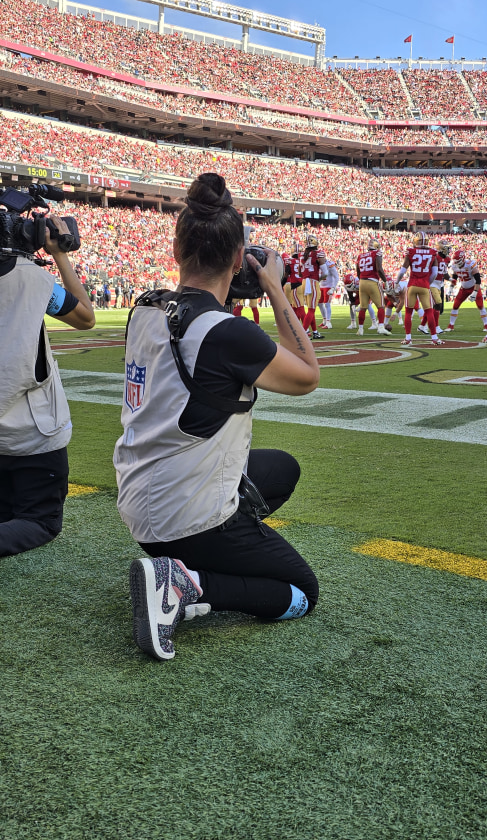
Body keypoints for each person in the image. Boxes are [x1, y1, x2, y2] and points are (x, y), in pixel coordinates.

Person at [113, 173, 321, 661]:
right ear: (236, 258)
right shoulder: (227, 333)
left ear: (175, 249)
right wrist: (273, 287)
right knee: (302, 593)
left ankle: (202, 553)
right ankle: (186, 583)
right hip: (182, 513)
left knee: (282, 469)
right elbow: (308, 374)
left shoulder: (143, 308)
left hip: (141, 495)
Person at [0, 216, 95, 557]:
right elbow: (85, 317)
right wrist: (60, 254)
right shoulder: (34, 279)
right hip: (34, 431)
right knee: (41, 522)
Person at [397, 232, 444, 346]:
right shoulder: (432, 253)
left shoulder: (411, 252)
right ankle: (434, 338)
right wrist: (428, 283)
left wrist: (397, 282)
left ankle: (408, 338)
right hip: (424, 285)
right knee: (429, 312)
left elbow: (403, 271)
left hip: (412, 285)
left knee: (408, 312)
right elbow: (434, 273)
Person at [444, 248, 487, 333]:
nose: (456, 263)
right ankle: (451, 325)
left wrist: (475, 292)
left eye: (458, 261)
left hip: (473, 287)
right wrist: (451, 287)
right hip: (463, 288)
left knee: (480, 305)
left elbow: (478, 279)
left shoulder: (470, 264)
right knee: (455, 305)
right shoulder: (454, 265)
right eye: (455, 261)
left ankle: (486, 325)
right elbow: (455, 277)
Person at [356, 236, 388, 335]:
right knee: (381, 306)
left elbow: (358, 272)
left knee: (363, 307)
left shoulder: (360, 256)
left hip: (362, 282)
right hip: (372, 281)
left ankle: (360, 329)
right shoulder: (377, 253)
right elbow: (379, 269)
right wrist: (385, 281)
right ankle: (381, 327)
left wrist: (362, 279)